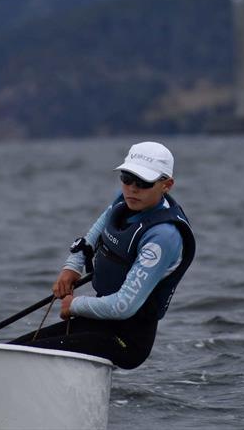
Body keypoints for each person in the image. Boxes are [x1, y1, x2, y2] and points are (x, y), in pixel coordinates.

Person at [11, 141, 196, 369]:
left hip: (127, 341)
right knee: (15, 348)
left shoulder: (163, 237)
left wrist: (74, 304)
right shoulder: (124, 202)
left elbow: (123, 307)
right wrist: (72, 267)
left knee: (26, 356)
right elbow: (90, 239)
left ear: (167, 185)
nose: (132, 188)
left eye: (143, 182)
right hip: (100, 321)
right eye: (127, 178)